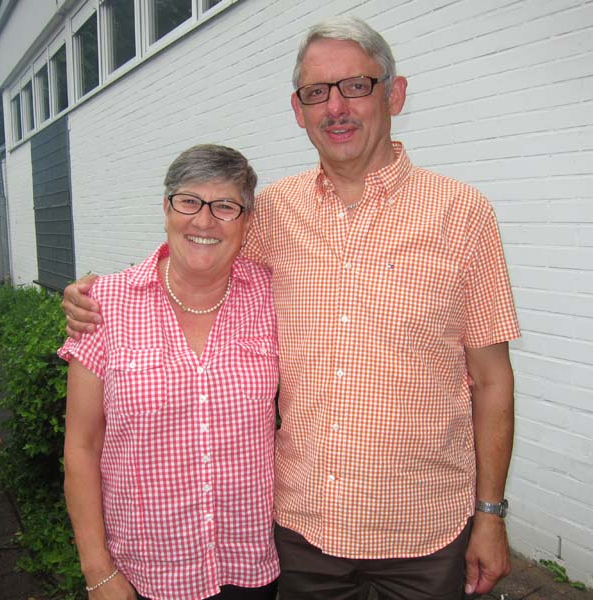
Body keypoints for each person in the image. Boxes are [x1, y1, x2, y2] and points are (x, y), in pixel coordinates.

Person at [63, 17, 520, 600]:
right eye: (316, 92)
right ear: (298, 110)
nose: (336, 107)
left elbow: (492, 380)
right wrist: (97, 294)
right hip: (303, 535)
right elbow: (199, 249)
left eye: (356, 85)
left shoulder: (463, 214)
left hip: (425, 531)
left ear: (395, 94)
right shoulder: (274, 212)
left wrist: (490, 513)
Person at [59, 145, 279, 600]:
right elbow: (82, 447)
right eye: (189, 201)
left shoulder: (273, 296)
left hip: (251, 565)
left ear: (246, 221)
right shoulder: (105, 306)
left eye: (225, 206)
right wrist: (97, 569)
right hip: (146, 573)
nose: (204, 221)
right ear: (166, 208)